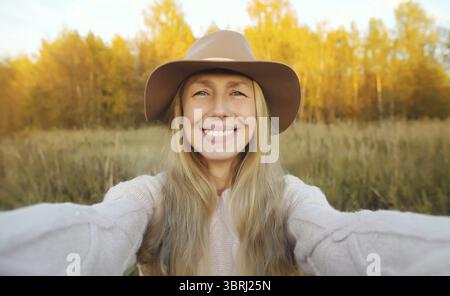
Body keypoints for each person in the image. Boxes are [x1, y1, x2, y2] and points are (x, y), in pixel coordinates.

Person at [1, 30, 449, 276]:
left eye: (236, 93)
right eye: (201, 92)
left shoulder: (290, 199)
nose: (218, 109)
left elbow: (339, 238)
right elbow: (99, 230)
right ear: (181, 113)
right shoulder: (148, 199)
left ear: (256, 114)